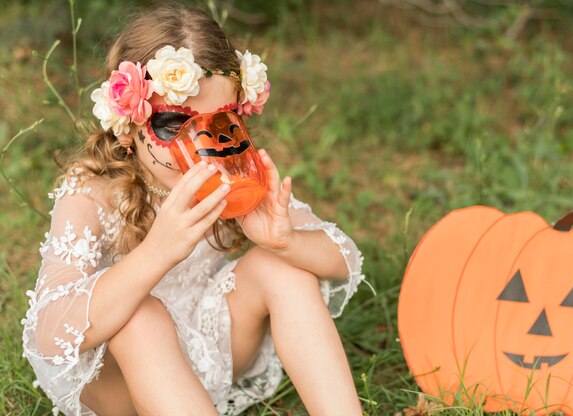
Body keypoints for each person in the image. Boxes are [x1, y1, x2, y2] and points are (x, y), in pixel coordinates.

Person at [20, 5, 366, 416]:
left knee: (279, 266)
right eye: (171, 124)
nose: (202, 147)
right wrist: (156, 252)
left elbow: (343, 258)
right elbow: (49, 331)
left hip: (204, 351)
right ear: (128, 125)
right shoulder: (91, 193)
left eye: (220, 123)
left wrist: (284, 241)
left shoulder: (228, 175)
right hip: (122, 384)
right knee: (141, 315)